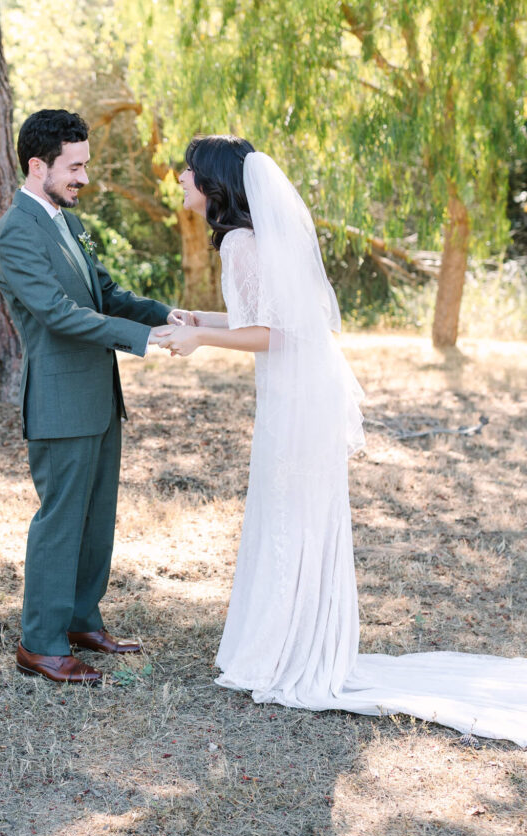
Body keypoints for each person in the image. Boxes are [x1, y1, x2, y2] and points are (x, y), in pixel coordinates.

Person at [158, 133, 527, 746]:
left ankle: (285, 652)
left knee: (289, 514)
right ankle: (291, 641)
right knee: (294, 513)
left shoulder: (243, 244)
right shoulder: (249, 242)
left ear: (214, 184)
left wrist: (204, 341)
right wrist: (202, 320)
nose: (179, 180)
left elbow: (276, 334)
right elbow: (269, 319)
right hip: (297, 395)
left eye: (188, 171)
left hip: (293, 397)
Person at [0, 109, 188, 685]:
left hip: (98, 395)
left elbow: (101, 291)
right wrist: (144, 339)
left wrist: (161, 314)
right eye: (74, 167)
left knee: (96, 516)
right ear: (38, 165)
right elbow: (56, 315)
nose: (83, 178)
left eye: (85, 165)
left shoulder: (65, 220)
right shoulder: (17, 230)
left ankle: (80, 620)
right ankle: (41, 643)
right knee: (60, 521)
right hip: (58, 399)